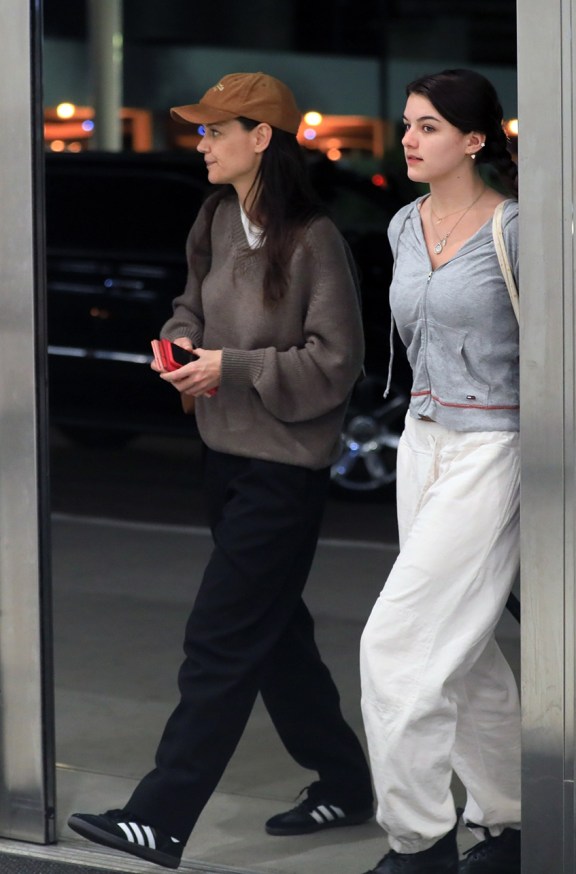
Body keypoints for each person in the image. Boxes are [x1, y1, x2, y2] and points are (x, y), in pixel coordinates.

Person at [68, 71, 374, 870]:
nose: (201, 142)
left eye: (214, 130)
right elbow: (187, 308)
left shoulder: (314, 239)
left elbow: (336, 363)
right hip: (224, 459)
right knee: (274, 636)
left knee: (221, 637)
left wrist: (228, 367)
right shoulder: (212, 217)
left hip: (284, 472)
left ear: (260, 137)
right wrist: (177, 348)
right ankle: (345, 783)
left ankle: (160, 818)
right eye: (200, 131)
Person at [359, 68, 521, 874]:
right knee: (470, 646)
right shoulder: (402, 225)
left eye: (427, 126)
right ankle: (511, 819)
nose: (409, 139)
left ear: (474, 139)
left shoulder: (514, 228)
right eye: (407, 125)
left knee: (397, 645)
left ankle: (417, 843)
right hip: (420, 439)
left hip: (494, 444)